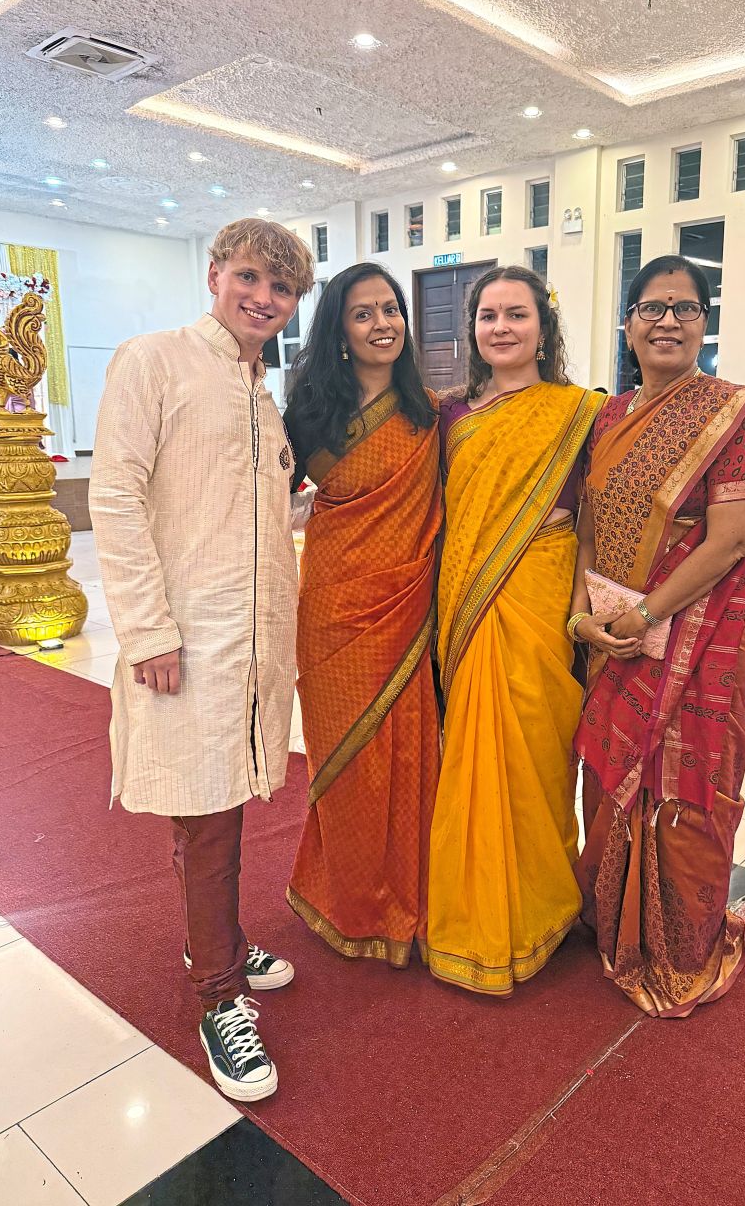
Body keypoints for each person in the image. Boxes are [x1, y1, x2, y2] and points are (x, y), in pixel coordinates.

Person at [89, 219, 313, 1101]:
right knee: (208, 812)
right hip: (187, 638)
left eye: (282, 288)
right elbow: (116, 495)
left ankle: (215, 939)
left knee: (223, 798)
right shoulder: (156, 360)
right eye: (250, 277)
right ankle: (218, 995)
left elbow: (252, 514)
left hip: (250, 640)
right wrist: (147, 631)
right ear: (215, 273)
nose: (263, 298)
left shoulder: (258, 390)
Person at [570, 254, 745, 1018]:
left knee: (683, 783)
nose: (668, 320)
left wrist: (645, 616)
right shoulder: (607, 417)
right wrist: (584, 615)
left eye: (685, 308)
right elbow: (588, 525)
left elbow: (731, 540)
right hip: (612, 630)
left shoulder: (734, 414)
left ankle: (675, 945)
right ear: (628, 324)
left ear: (703, 324)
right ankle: (609, 917)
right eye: (652, 308)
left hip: (699, 629)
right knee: (610, 772)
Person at [427, 266, 606, 996]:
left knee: (535, 748)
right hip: (467, 597)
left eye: (516, 315)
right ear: (472, 328)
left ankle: (542, 907)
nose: (500, 328)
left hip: (541, 593)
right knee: (471, 752)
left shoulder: (583, 412)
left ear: (543, 326)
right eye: (488, 316)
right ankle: (474, 916)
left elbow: (594, 521)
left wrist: (588, 606)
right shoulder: (450, 415)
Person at [283, 263, 442, 964]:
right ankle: (350, 900)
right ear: (339, 332)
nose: (383, 324)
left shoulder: (432, 414)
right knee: (346, 765)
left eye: (390, 309)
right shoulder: (308, 414)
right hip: (331, 612)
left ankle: (414, 902)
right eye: (363, 313)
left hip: (407, 608)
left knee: (410, 759)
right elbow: (260, 498)